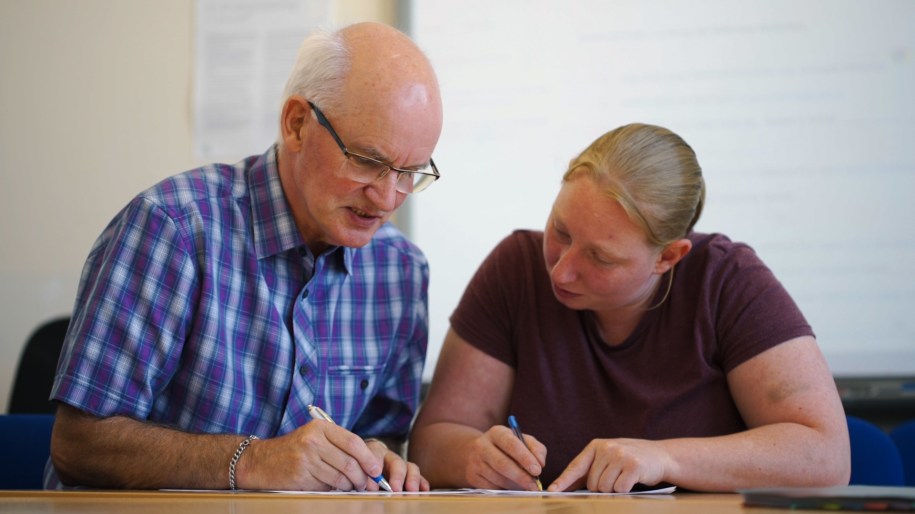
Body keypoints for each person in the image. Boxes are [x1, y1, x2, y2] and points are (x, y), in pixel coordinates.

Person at [48, 22, 442, 492]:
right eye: (368, 161)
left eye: (409, 173)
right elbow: (79, 445)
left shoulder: (400, 273)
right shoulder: (173, 229)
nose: (385, 198)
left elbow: (384, 433)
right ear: (296, 124)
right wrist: (252, 461)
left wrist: (380, 457)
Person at [408, 123, 850, 493]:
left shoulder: (726, 280)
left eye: (600, 258)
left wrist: (663, 457)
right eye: (560, 231)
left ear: (668, 257)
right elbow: (431, 441)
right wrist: (475, 458)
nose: (561, 271)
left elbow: (824, 455)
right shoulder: (516, 268)